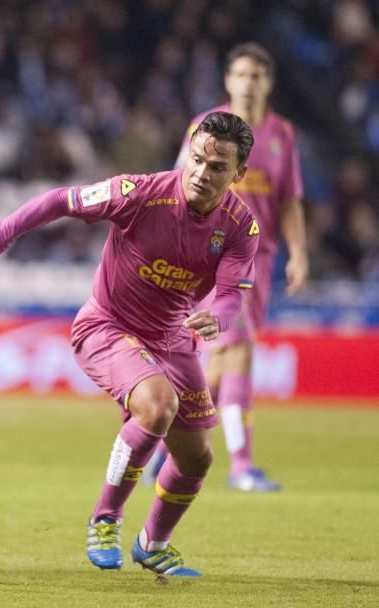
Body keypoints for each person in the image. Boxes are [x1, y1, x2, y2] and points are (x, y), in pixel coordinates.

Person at [0, 112, 259, 576]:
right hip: (108, 326)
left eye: (217, 167)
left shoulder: (241, 226)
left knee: (197, 459)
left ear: (238, 173)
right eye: (197, 160)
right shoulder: (139, 194)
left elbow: (231, 294)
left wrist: (215, 319)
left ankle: (153, 542)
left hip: (175, 339)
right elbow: (60, 200)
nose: (202, 173)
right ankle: (106, 517)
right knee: (158, 407)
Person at [145, 43, 307, 492]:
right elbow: (178, 182)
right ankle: (241, 463)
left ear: (268, 83)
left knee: (220, 360)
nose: (248, 83)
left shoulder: (282, 135)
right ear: (228, 81)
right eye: (241, 74)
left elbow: (290, 199)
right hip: (211, 252)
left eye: (257, 75)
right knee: (237, 351)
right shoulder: (206, 126)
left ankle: (163, 450)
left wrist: (299, 252)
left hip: (260, 254)